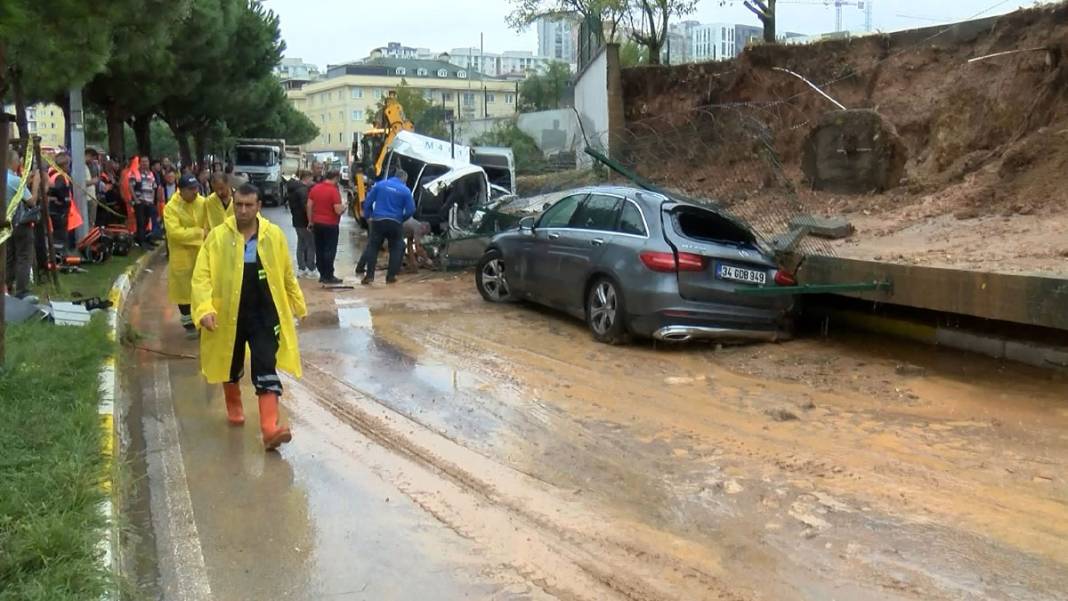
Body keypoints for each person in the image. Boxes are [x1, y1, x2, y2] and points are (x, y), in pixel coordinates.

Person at [191, 183, 306, 451]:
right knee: (229, 365)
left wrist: (297, 303)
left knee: (266, 364)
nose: (242, 210)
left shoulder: (273, 235)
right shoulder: (218, 237)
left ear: (258, 207)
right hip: (229, 313)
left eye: (248, 205)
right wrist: (204, 308)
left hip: (264, 312)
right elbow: (202, 276)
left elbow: (286, 272)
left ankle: (269, 430)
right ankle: (234, 406)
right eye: (238, 204)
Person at [164, 174, 207, 337]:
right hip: (181, 256)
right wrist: (200, 233)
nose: (195, 192)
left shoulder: (203, 203)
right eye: (191, 189)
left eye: (196, 188)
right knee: (183, 293)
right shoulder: (171, 208)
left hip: (201, 254)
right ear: (181, 190)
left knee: (202, 288)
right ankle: (189, 325)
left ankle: (202, 320)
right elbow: (175, 233)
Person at [360, 168, 415, 285]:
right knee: (396, 248)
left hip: (378, 220)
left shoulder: (380, 185)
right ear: (404, 179)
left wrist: (368, 215)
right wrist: (401, 218)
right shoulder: (405, 190)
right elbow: (411, 210)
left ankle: (369, 276)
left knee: (373, 247)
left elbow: (368, 201)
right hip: (395, 222)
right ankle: (391, 277)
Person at [5, 148, 41, 298]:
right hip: (19, 223)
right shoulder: (15, 180)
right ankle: (22, 291)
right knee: (24, 256)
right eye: (18, 160)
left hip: (6, 224)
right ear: (13, 162)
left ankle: (7, 286)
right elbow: (31, 201)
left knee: (9, 256)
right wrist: (36, 184)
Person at [307, 170, 345, 285]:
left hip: (317, 224)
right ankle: (329, 276)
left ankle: (322, 274)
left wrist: (310, 221)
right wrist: (345, 207)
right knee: (329, 250)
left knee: (320, 249)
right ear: (336, 178)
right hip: (330, 225)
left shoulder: (315, 188)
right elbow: (338, 210)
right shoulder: (334, 191)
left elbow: (309, 205)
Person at [287, 170, 316, 278]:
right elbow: (306, 207)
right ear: (307, 178)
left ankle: (301, 268)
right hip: (304, 221)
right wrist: (311, 220)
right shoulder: (303, 190)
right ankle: (311, 268)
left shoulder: (293, 188)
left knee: (301, 244)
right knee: (310, 244)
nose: (312, 182)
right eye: (311, 179)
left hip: (296, 220)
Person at [47, 152, 75, 252]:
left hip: (53, 209)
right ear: (64, 165)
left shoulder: (51, 173)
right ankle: (61, 255)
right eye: (68, 165)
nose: (69, 167)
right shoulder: (60, 177)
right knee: (61, 235)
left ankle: (58, 254)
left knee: (56, 235)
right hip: (60, 211)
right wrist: (61, 199)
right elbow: (59, 189)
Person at [131, 154, 159, 247]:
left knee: (147, 221)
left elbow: (154, 187)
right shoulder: (135, 173)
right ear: (139, 163)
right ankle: (141, 241)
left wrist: (152, 200)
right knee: (141, 222)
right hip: (140, 202)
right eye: (142, 162)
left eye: (146, 161)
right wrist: (136, 200)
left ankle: (147, 239)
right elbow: (131, 187)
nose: (144, 163)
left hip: (149, 202)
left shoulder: (151, 174)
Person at [85, 149, 101, 227]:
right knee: (90, 221)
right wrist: (93, 181)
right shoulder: (81, 166)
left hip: (92, 196)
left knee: (92, 221)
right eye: (92, 158)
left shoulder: (89, 166)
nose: (92, 161)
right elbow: (81, 183)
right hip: (88, 198)